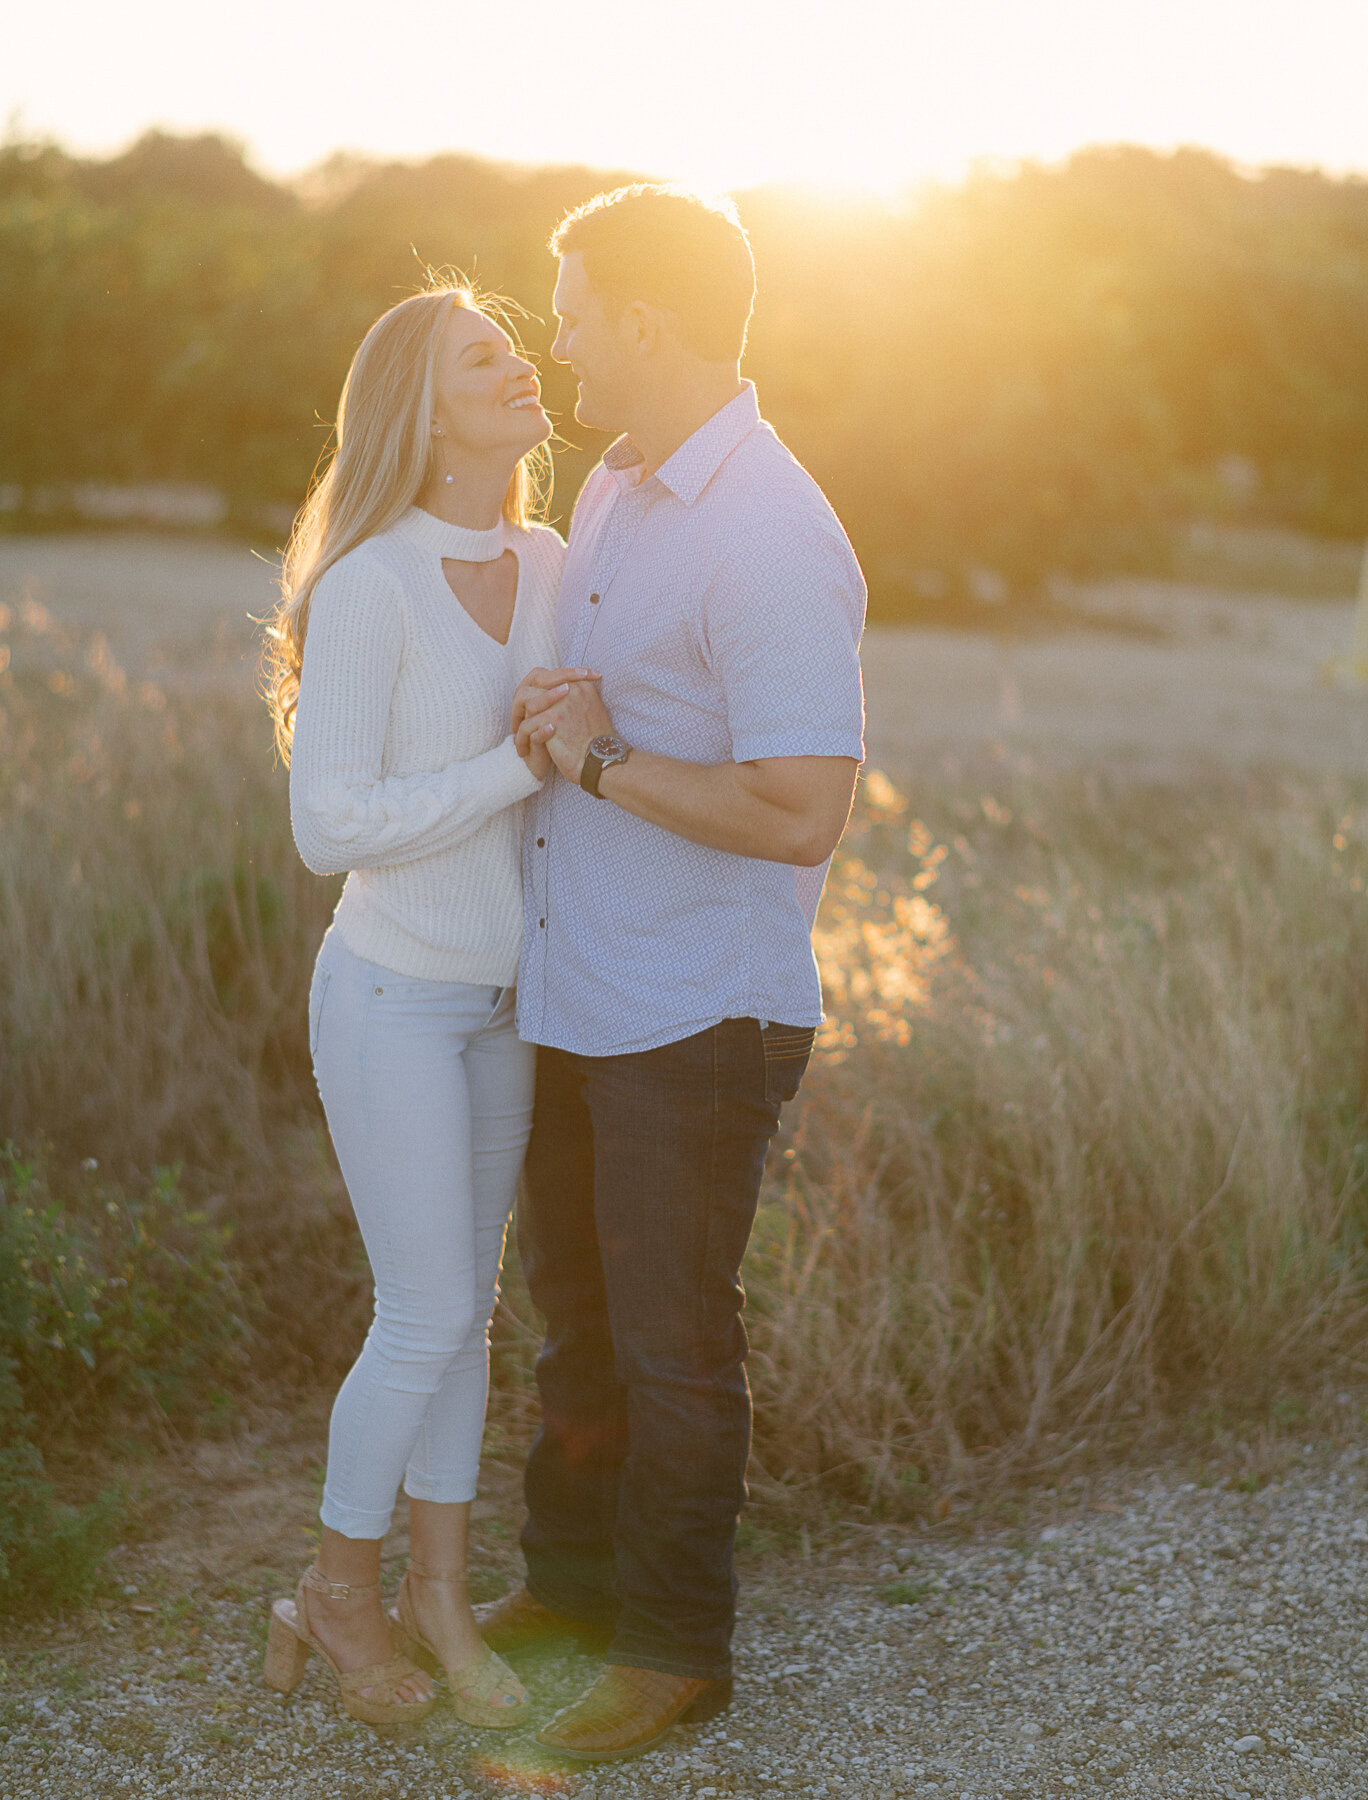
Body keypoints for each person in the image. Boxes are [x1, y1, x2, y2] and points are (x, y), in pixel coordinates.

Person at [483, 184, 868, 1762]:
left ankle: (672, 1649)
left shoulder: (774, 528)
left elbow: (801, 806)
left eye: (569, 307)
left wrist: (600, 756)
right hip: (584, 989)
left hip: (700, 1009)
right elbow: (606, 708)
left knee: (670, 1339)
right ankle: (566, 1590)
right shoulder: (623, 487)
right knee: (575, 1321)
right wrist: (568, 716)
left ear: (642, 319)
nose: (555, 335)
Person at [259, 279, 586, 1730]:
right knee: (428, 1306)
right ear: (424, 408)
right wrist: (521, 766)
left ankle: (440, 1597)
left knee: (469, 1319)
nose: (520, 370)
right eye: (484, 358)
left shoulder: (560, 559)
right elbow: (328, 824)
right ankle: (337, 1596)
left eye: (517, 349)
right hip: (391, 993)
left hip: (511, 999)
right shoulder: (370, 584)